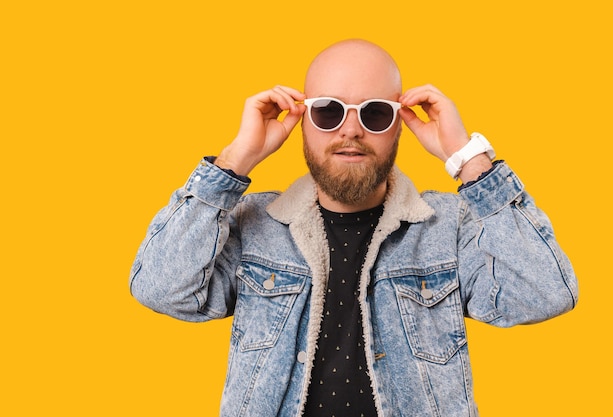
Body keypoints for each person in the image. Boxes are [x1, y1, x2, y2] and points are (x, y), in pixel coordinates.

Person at [129, 39, 578, 417]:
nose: (351, 130)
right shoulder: (253, 224)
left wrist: (468, 159)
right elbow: (161, 288)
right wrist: (234, 161)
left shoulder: (450, 227)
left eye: (375, 113)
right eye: (328, 111)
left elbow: (544, 293)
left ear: (400, 123)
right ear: (302, 119)